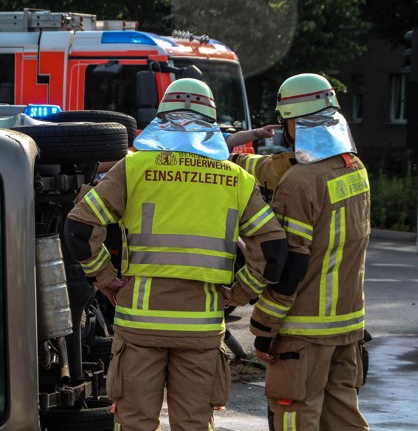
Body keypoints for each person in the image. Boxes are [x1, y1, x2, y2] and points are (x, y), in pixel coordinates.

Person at [63, 77, 289, 431]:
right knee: (195, 424)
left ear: (162, 116)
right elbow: (273, 250)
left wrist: (105, 280)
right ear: (212, 122)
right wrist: (240, 293)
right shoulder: (237, 180)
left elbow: (79, 228)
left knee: (135, 423)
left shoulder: (134, 169)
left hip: (139, 323)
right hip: (201, 328)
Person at [247, 73, 370, 431]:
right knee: (342, 415)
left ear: (294, 122)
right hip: (347, 327)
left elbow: (291, 264)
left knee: (294, 415)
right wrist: (234, 162)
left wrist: (263, 327)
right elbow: (280, 167)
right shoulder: (354, 169)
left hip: (303, 331)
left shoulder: (300, 184)